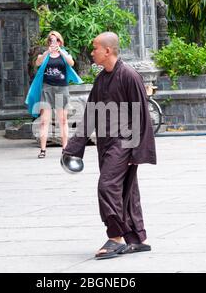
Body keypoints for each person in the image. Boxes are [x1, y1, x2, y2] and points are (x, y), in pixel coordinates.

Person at [63, 32, 157, 260]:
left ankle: (115, 237)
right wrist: (73, 148)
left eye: (95, 48)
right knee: (127, 190)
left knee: (107, 186)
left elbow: (142, 114)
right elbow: (91, 116)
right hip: (105, 143)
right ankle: (136, 237)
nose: (91, 52)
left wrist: (138, 150)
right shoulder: (101, 79)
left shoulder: (128, 75)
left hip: (124, 143)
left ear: (107, 51)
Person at [25, 31, 82, 158]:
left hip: (61, 89)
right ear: (48, 42)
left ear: (60, 42)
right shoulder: (44, 55)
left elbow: (71, 63)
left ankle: (65, 149)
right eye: (51, 40)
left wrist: (60, 51)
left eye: (56, 40)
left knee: (62, 120)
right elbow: (38, 63)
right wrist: (47, 52)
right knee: (44, 121)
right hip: (47, 88)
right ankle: (43, 150)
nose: (53, 42)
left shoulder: (64, 54)